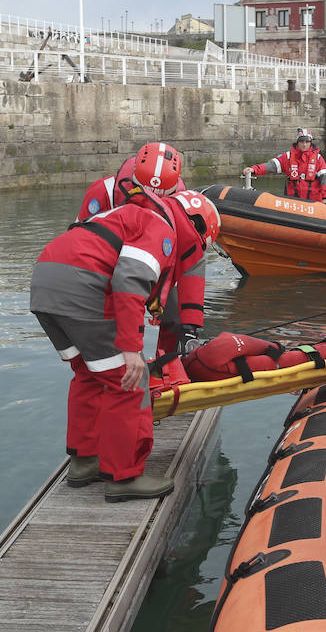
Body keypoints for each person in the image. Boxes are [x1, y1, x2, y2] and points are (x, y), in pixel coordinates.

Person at [31, 189, 220, 501]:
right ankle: (124, 476)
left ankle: (84, 461)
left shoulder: (132, 214)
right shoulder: (163, 228)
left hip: (46, 282)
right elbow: (129, 281)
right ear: (197, 228)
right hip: (82, 285)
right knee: (130, 380)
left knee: (89, 375)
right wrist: (131, 350)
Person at [78, 143, 204, 361]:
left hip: (156, 263)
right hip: (109, 264)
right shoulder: (104, 192)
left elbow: (193, 260)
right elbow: (79, 243)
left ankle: (168, 365)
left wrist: (191, 325)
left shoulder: (183, 203)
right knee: (108, 321)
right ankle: (115, 369)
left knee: (176, 320)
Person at [242, 128, 326, 203]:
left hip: (313, 204)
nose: (304, 144)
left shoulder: (318, 158)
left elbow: (325, 179)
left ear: (310, 142)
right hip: (292, 203)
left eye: (307, 142)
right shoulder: (288, 157)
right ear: (297, 142)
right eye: (301, 141)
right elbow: (271, 166)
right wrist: (254, 169)